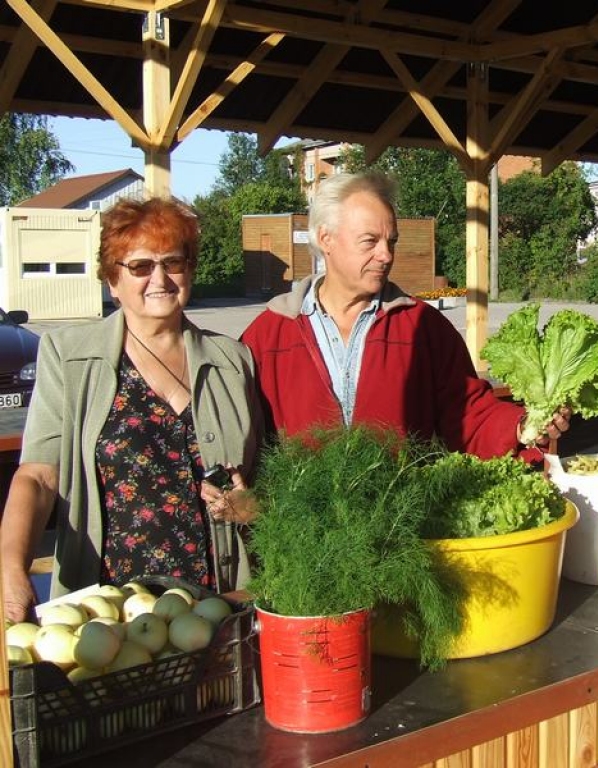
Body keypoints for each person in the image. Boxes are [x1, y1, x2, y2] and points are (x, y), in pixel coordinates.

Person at [1, 198, 264, 623]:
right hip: (108, 613)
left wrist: (248, 506)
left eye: (173, 263)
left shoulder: (233, 361)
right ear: (112, 280)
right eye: (140, 266)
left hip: (214, 605)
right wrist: (11, 568)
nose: (159, 278)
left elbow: (262, 480)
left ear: (190, 269)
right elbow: (38, 475)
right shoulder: (68, 356)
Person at [241, 171, 569, 459]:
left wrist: (522, 426)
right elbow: (242, 436)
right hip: (302, 523)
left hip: (406, 520)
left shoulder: (423, 327)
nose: (385, 255)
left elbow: (468, 412)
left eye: (391, 242)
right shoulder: (269, 334)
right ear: (326, 239)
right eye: (370, 242)